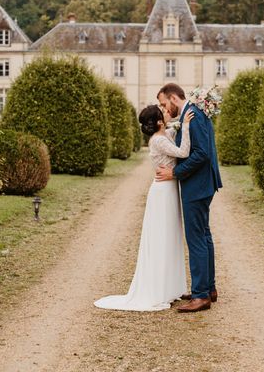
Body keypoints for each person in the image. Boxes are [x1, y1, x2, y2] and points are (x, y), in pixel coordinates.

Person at [94, 105, 194, 311]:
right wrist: (185, 126)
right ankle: (158, 289)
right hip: (162, 193)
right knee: (161, 238)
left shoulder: (163, 133)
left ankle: (171, 286)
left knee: (171, 237)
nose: (166, 112)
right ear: (158, 122)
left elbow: (171, 129)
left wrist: (178, 121)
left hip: (170, 190)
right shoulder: (158, 140)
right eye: (162, 112)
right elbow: (183, 152)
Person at [156, 83, 222, 313]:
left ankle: (201, 295)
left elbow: (201, 154)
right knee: (204, 235)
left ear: (173, 98)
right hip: (202, 184)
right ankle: (207, 289)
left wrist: (174, 172)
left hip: (198, 185)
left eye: (164, 103)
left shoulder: (193, 114)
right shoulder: (190, 113)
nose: (164, 108)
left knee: (196, 238)